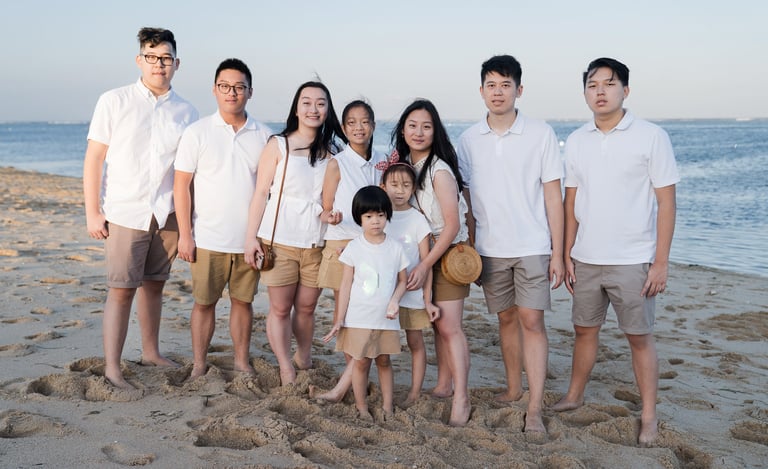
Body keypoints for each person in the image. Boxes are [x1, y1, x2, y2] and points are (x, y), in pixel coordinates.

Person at [551, 57, 679, 447]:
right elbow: (571, 203)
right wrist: (567, 254)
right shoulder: (577, 140)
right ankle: (574, 395)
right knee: (583, 331)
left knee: (639, 336)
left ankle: (649, 416)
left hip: (634, 259)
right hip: (587, 258)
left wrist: (660, 262)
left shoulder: (651, 136)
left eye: (609, 84)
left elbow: (667, 203)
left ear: (626, 89)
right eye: (592, 85)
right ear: (585, 92)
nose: (600, 92)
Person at [83, 27, 198, 390]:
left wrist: (190, 221)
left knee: (154, 286)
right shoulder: (113, 100)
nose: (158, 64)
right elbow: (94, 159)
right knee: (121, 290)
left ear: (176, 63)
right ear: (139, 60)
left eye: (165, 58)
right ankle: (112, 368)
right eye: (151, 57)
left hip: (167, 214)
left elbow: (188, 171)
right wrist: (92, 211)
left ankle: (151, 352)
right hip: (124, 210)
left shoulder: (187, 111)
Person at [457, 55, 564, 433]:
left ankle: (534, 407)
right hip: (490, 247)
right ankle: (514, 387)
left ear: (519, 89)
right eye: (491, 85)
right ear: (481, 90)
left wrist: (558, 253)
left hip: (533, 244)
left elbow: (553, 196)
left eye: (505, 85)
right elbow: (467, 201)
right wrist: (470, 248)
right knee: (505, 319)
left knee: (531, 320)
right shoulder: (469, 140)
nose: (498, 92)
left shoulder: (540, 134)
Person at [173, 58, 272, 379]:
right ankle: (199, 364)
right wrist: (185, 235)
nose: (232, 92)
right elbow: (181, 186)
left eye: (239, 87)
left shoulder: (265, 136)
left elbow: (270, 191)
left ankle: (241, 361)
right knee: (204, 303)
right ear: (214, 90)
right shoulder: (197, 132)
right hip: (207, 238)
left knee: (243, 302)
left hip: (248, 240)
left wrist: (261, 237)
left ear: (250, 92)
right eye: (225, 86)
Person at [243, 81, 345, 386]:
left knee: (307, 308)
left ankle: (304, 356)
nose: (314, 109)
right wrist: (250, 238)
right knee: (280, 308)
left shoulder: (335, 151)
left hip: (317, 242)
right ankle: (285, 366)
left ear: (328, 110)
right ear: (297, 109)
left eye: (321, 103)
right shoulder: (279, 144)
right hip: (280, 242)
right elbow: (261, 193)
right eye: (307, 102)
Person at [392, 99, 472, 426]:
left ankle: (461, 397)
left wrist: (425, 265)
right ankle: (443, 384)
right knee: (437, 323)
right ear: (402, 130)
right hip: (422, 253)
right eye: (412, 126)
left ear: (435, 131)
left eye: (426, 126)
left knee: (451, 327)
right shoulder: (405, 167)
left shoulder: (439, 170)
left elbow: (452, 225)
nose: (419, 132)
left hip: (447, 254)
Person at [308, 100, 386, 402]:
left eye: (364, 121)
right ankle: (353, 383)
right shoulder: (337, 163)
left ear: (373, 126)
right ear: (343, 128)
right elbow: (326, 207)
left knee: (370, 316)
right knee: (348, 318)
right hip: (343, 247)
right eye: (351, 122)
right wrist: (333, 217)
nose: (358, 128)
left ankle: (347, 385)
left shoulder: (382, 161)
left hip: (374, 249)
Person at [323, 186, 408, 421]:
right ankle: (361, 407)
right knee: (360, 363)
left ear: (387, 215)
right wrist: (340, 319)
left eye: (380, 215)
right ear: (359, 218)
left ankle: (388, 406)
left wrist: (395, 301)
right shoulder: (354, 248)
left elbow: (403, 281)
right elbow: (346, 285)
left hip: (385, 318)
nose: (375, 221)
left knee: (384, 361)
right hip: (359, 317)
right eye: (369, 216)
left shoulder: (395, 248)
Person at [381, 163, 440, 406]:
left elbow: (426, 263)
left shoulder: (418, 220)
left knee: (415, 342)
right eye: (394, 185)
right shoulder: (381, 216)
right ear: (383, 186)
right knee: (383, 345)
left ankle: (414, 393)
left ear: (414, 189)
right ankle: (385, 391)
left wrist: (427, 301)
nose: (400, 190)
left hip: (413, 294)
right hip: (385, 295)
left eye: (406, 185)